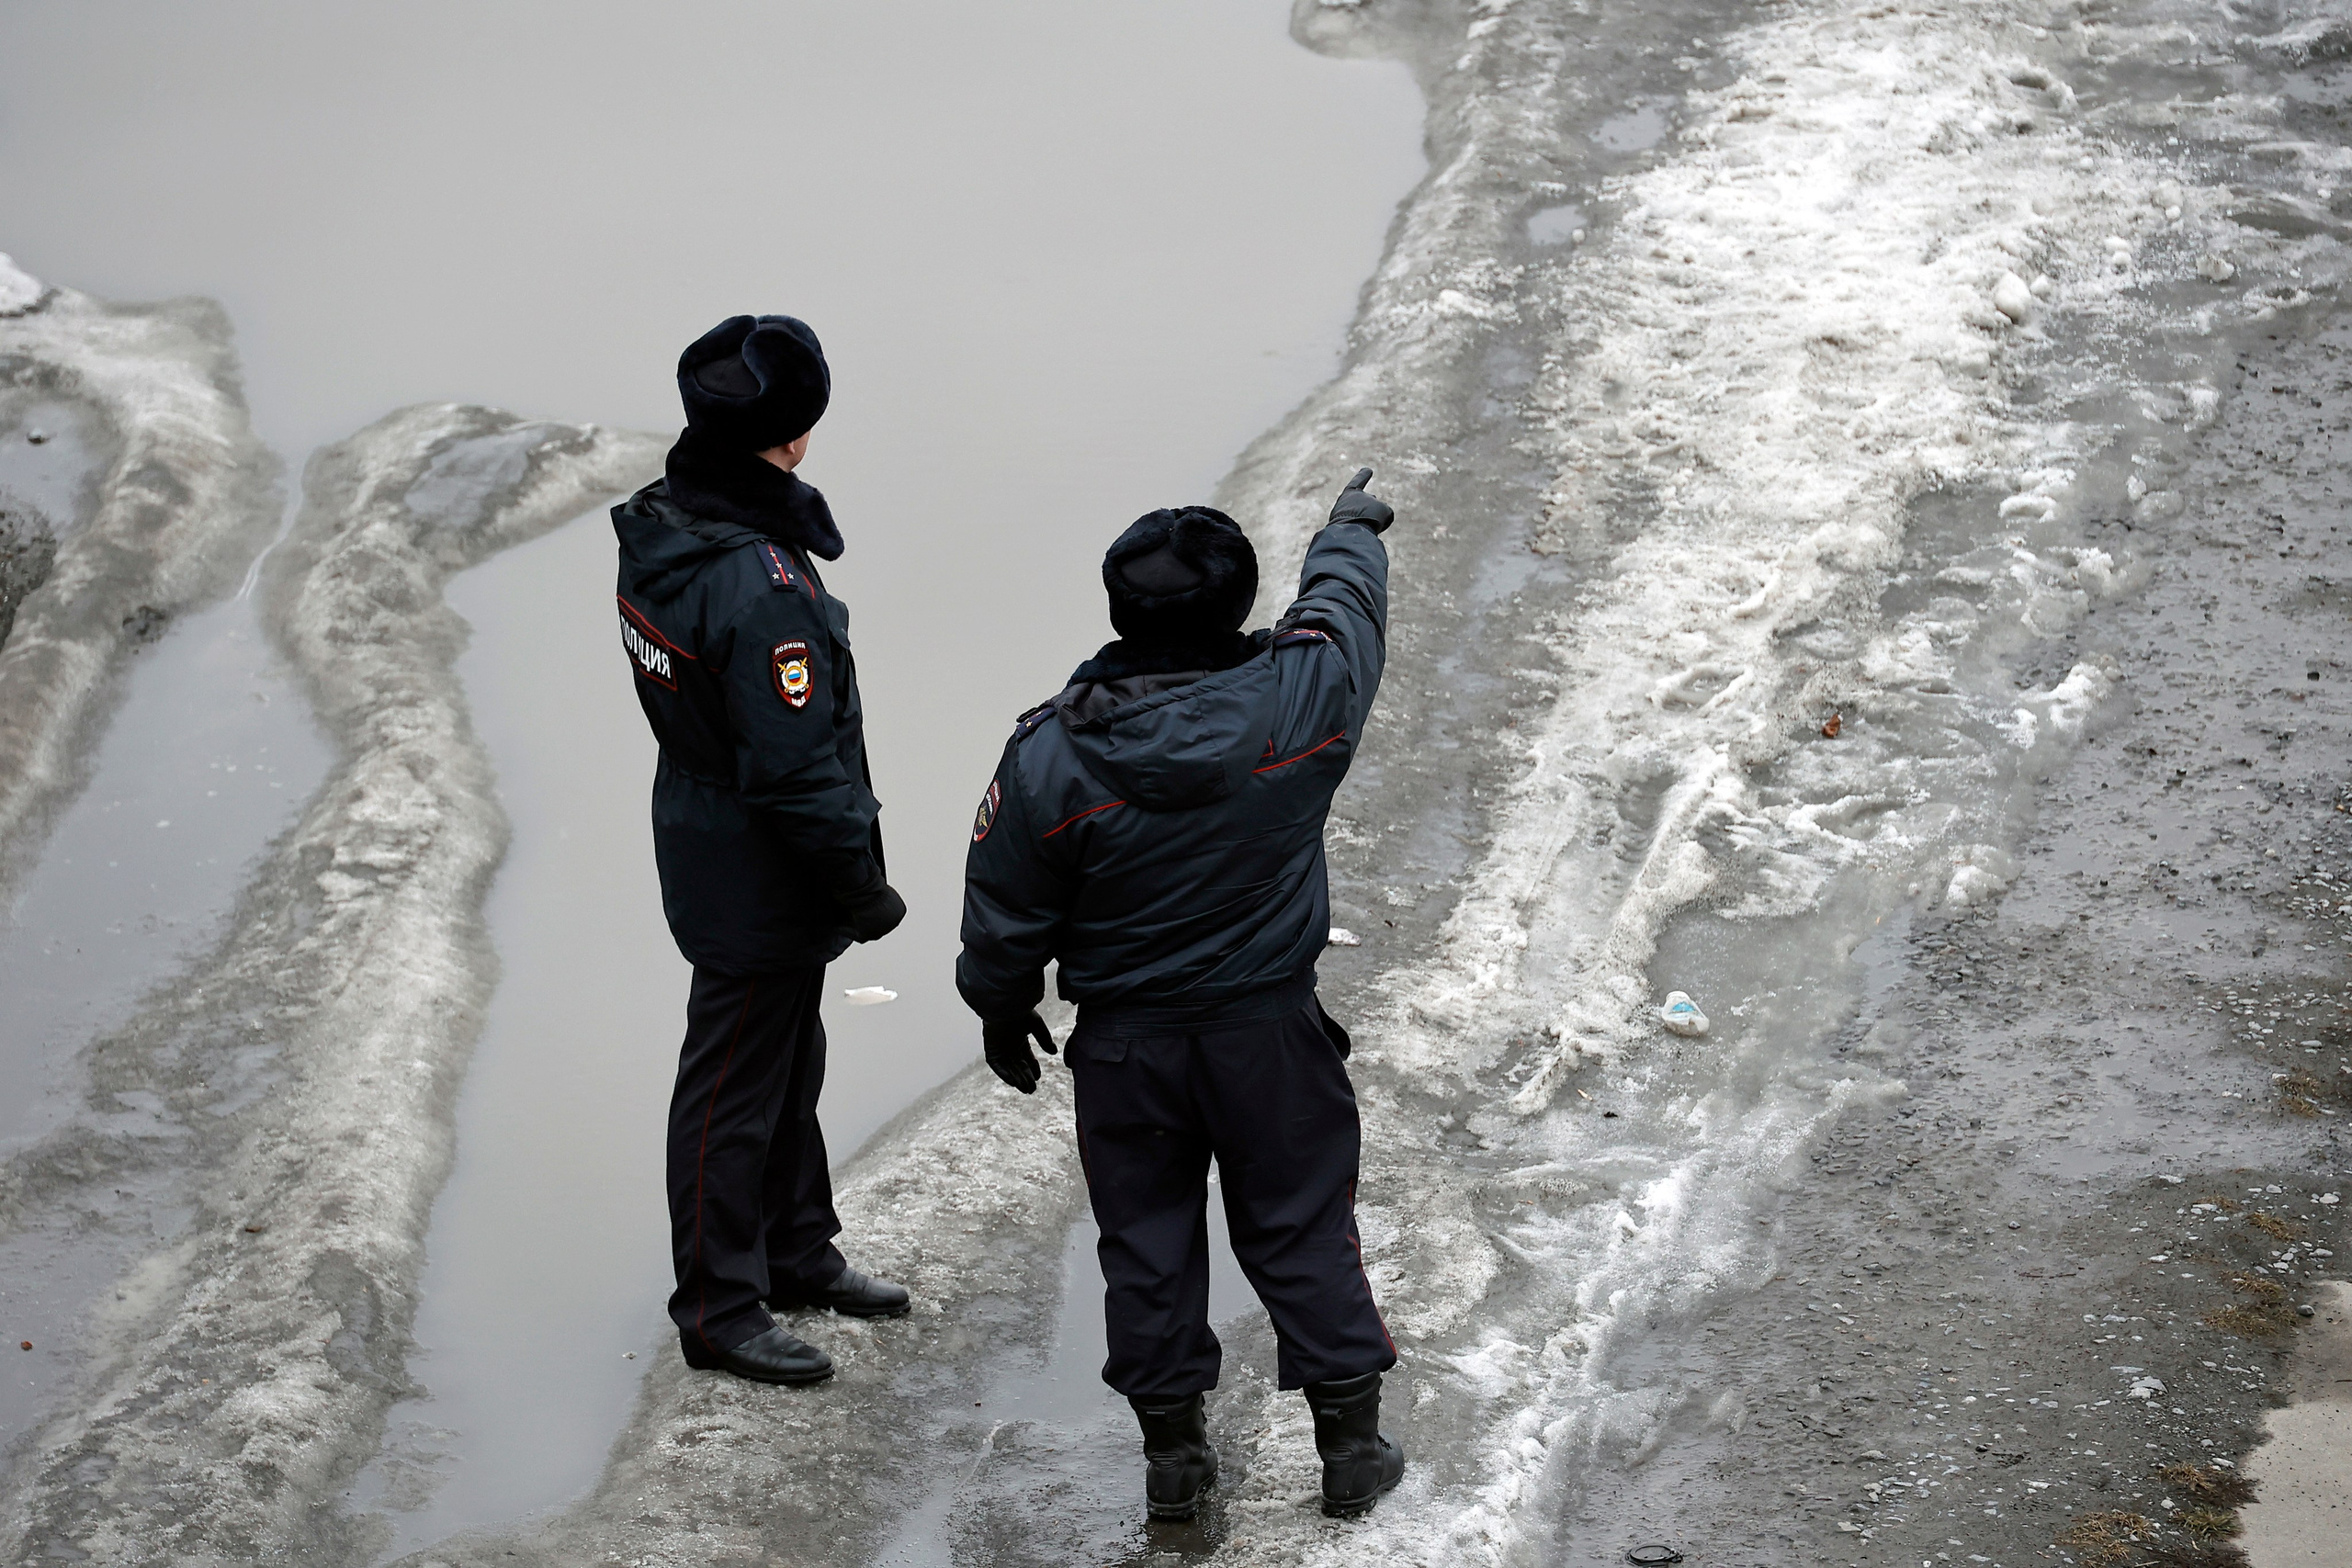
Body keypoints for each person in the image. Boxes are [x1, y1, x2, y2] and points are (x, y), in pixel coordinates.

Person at [956, 470, 1406, 1519]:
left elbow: (1005, 901)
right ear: (1237, 606)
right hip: (1268, 1035)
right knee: (1300, 1225)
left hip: (1126, 1053)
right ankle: (1350, 1453)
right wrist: (1348, 532)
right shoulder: (1303, 698)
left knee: (1146, 1243)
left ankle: (1174, 1467)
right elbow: (1342, 611)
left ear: (1119, 611)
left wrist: (997, 1002)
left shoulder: (1048, 754)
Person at [613, 314, 910, 1386]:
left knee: (787, 1060)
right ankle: (718, 1306)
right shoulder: (760, 586)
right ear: (789, 437)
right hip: (757, 858)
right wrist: (861, 886)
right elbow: (792, 768)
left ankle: (794, 1252)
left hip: (705, 828)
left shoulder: (663, 521)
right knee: (731, 1086)